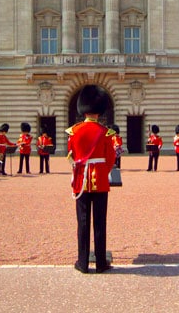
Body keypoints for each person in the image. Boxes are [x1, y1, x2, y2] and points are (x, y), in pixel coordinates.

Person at [67, 85, 116, 274]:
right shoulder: (106, 133)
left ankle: (83, 262)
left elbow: (71, 156)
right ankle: (101, 262)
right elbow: (111, 159)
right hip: (101, 180)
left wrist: (78, 168)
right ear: (99, 110)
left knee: (83, 221)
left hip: (81, 180)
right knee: (100, 222)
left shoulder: (73, 131)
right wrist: (102, 171)